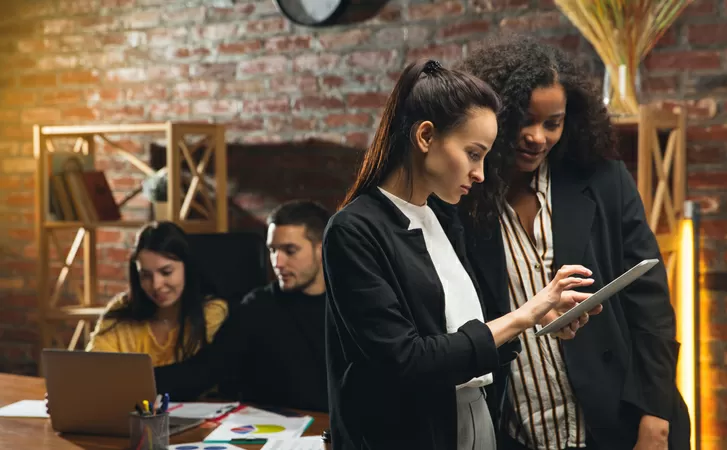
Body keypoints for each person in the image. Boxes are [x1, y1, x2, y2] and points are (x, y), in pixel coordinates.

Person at [323, 59, 597, 450]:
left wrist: (537, 318)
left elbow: (460, 329)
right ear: (425, 137)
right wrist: (523, 314)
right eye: (473, 153)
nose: (481, 173)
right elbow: (407, 360)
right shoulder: (354, 230)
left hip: (473, 420)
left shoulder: (443, 217)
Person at [457, 36, 691, 450]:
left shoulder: (602, 179)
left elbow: (650, 301)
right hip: (519, 428)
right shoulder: (463, 200)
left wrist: (655, 416)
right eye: (523, 120)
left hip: (620, 419)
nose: (537, 137)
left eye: (553, 122)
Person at [154, 200, 331, 412]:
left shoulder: (354, 306)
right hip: (267, 432)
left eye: (290, 250)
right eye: (272, 250)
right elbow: (203, 371)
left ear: (322, 249)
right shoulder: (259, 306)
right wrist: (136, 381)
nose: (277, 262)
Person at [86, 221, 228, 367]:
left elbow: (201, 375)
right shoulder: (122, 309)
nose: (156, 285)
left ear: (187, 267)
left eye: (166, 272)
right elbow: (94, 368)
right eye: (145, 275)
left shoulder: (211, 312)